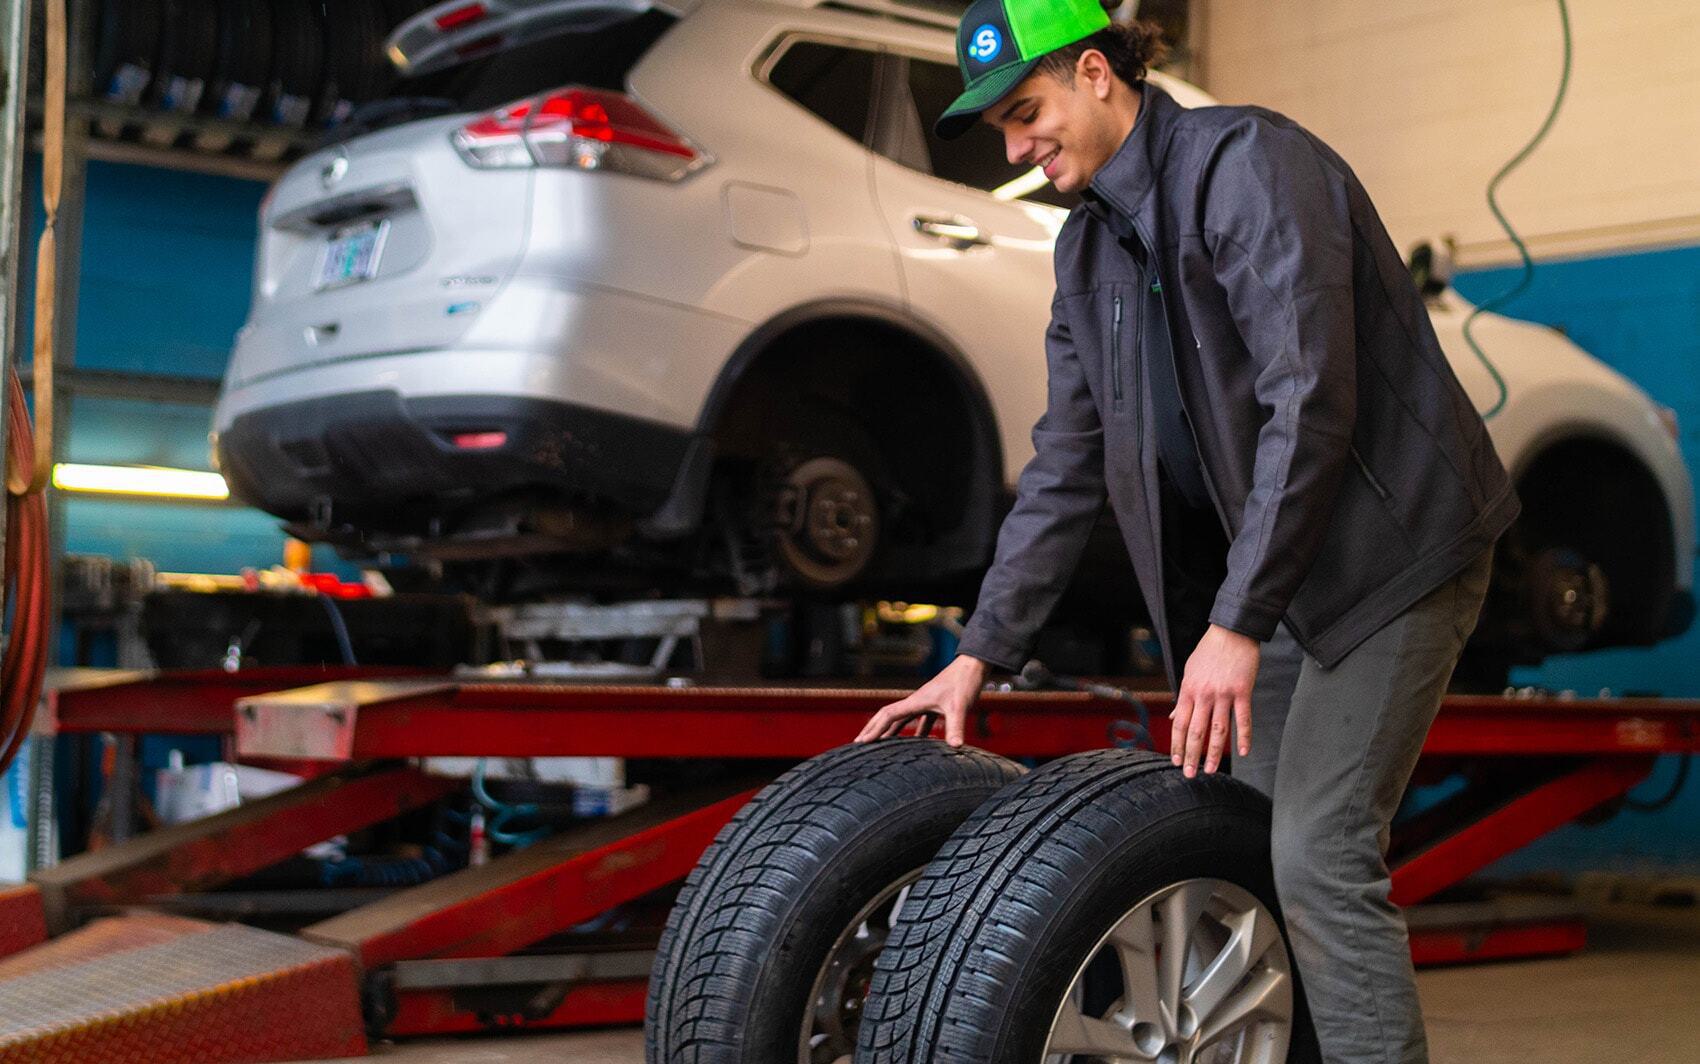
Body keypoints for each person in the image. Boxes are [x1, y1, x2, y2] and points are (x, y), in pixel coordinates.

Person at [853, 0, 1520, 1060]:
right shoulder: (1083, 254)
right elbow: (1064, 464)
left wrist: (1236, 620)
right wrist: (980, 651)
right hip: (1283, 572)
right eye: (999, 132)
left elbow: (1311, 399)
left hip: (1395, 556)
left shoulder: (1247, 166)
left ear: (1094, 73)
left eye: (1027, 114)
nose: (1016, 149)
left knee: (1315, 851)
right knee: (1236, 844)